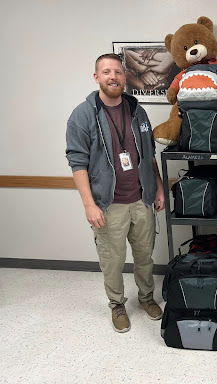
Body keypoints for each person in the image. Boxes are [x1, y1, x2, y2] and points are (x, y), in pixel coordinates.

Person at [66, 53, 165, 333]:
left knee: (145, 256)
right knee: (113, 260)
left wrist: (157, 188)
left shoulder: (137, 111)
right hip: (109, 205)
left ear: (125, 77)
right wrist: (89, 205)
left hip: (142, 199)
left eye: (118, 72)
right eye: (107, 72)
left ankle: (146, 298)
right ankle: (117, 305)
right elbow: (77, 162)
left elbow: (149, 154)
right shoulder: (83, 115)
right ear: (96, 77)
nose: (113, 77)